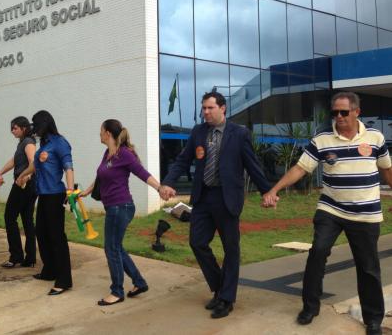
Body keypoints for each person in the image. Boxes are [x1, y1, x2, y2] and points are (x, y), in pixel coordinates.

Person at [262, 92, 390, 335]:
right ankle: (310, 307)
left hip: (365, 214)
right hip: (331, 208)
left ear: (356, 112)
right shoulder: (322, 139)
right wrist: (274, 189)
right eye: (334, 113)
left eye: (343, 112)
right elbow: (301, 168)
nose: (338, 117)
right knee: (317, 252)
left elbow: (387, 171)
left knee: (368, 267)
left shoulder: (375, 138)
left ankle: (373, 319)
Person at [160, 91, 271, 319]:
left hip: (227, 198)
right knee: (197, 242)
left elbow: (252, 165)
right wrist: (169, 181)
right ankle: (221, 287)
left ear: (223, 108)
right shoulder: (198, 132)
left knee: (231, 248)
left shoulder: (239, 134)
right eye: (204, 108)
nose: (206, 112)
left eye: (210, 108)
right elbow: (183, 159)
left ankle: (226, 299)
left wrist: (267, 191)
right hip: (203, 197)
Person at [80, 119, 160, 306]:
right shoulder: (108, 153)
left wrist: (159, 188)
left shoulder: (124, 154)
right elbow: (100, 176)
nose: (99, 134)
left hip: (120, 206)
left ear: (108, 133)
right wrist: (87, 190)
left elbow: (142, 173)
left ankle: (117, 291)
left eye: (101, 131)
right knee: (117, 247)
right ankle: (139, 282)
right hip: (114, 207)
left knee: (111, 248)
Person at [16, 110, 74, 296]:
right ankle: (50, 270)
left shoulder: (59, 142)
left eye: (35, 125)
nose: (34, 129)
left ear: (44, 124)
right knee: (41, 233)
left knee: (57, 237)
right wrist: (24, 174)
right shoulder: (44, 144)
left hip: (55, 196)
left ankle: (64, 279)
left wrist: (71, 192)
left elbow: (68, 167)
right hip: (43, 195)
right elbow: (35, 164)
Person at [0, 116, 38, 268]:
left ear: (23, 128)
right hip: (28, 185)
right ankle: (30, 258)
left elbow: (34, 162)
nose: (12, 131)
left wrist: (26, 177)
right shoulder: (23, 142)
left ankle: (16, 256)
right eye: (11, 128)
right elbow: (14, 161)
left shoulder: (28, 143)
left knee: (9, 217)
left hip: (24, 185)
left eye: (15, 128)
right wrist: (0, 172)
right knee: (27, 219)